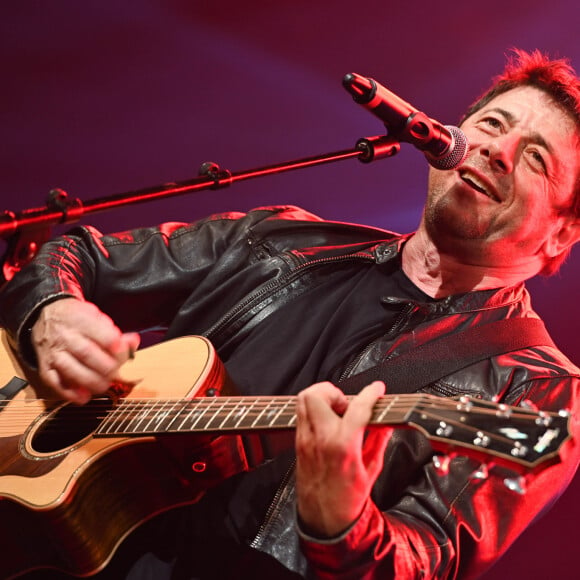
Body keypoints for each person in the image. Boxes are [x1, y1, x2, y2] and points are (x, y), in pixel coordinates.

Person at [1, 48, 579, 579]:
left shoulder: (534, 390)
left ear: (563, 232)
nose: (496, 152)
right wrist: (51, 315)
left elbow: (426, 559)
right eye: (492, 125)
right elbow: (79, 256)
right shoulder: (277, 239)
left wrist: (344, 524)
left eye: (535, 160)